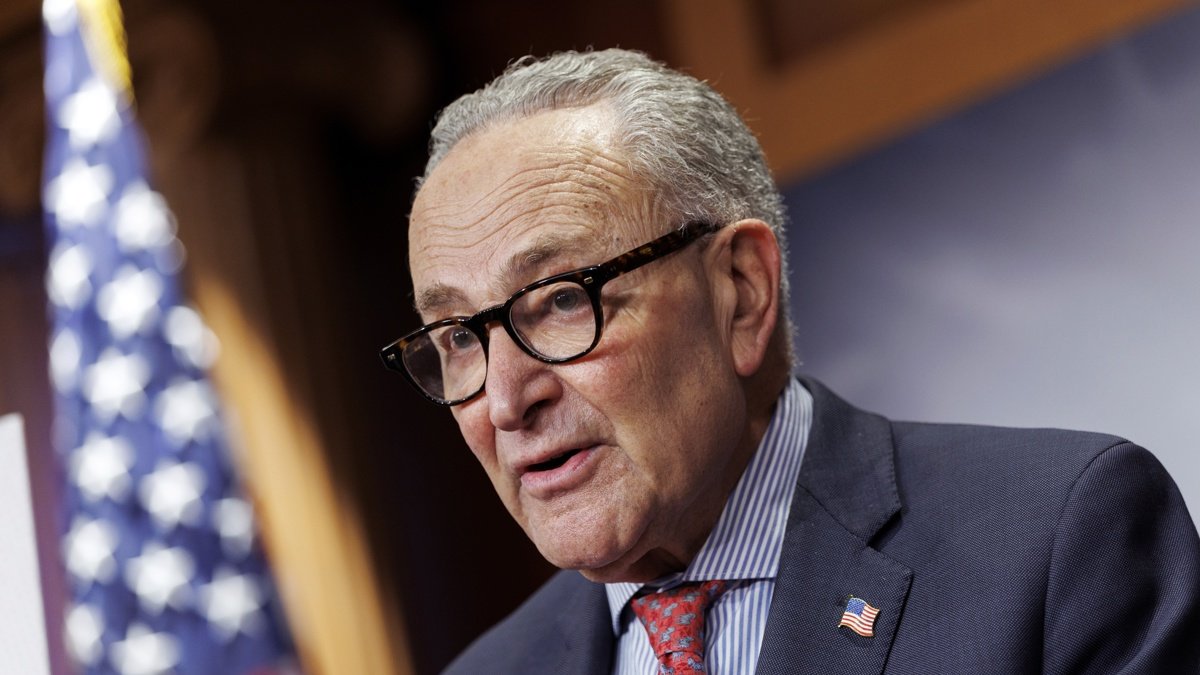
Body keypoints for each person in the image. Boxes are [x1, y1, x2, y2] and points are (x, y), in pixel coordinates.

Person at [381, 49, 1200, 674]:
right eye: (458, 337)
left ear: (740, 291)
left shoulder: (1059, 546)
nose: (506, 399)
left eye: (560, 298)